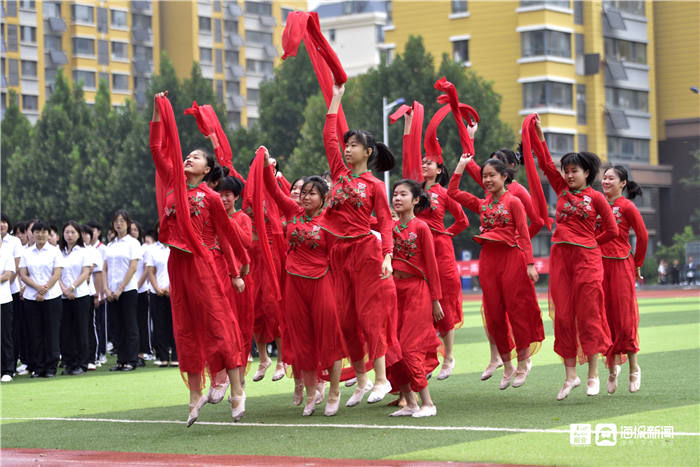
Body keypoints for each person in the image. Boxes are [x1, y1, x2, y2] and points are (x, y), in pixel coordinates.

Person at [151, 91, 248, 425]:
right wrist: (159, 111)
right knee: (186, 329)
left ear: (208, 169)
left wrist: (235, 272)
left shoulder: (210, 198)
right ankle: (195, 395)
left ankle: (236, 388)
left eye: (195, 157)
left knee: (219, 325)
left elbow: (227, 236)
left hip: (204, 264)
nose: (188, 159)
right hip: (177, 264)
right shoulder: (173, 185)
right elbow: (156, 149)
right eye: (187, 155)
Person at [528, 115, 618, 400]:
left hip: (588, 261)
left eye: (574, 171)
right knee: (564, 316)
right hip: (561, 259)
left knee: (589, 316)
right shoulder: (561, 190)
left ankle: (593, 375)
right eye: (566, 170)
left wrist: (591, 243)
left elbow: (613, 230)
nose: (568, 175)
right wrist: (540, 134)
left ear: (586, 173)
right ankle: (570, 377)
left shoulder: (598, 198)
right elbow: (544, 164)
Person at [323, 83, 396, 406]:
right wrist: (335, 98)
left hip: (366, 252)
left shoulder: (376, 186)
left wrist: (388, 255)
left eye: (354, 145)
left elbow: (384, 222)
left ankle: (381, 379)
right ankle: (362, 380)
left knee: (369, 317)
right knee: (345, 320)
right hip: (339, 253)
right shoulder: (338, 175)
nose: (347, 149)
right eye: (347, 144)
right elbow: (328, 136)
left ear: (368, 153)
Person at [449, 155, 544, 390]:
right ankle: (507, 364)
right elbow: (453, 192)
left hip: (512, 258)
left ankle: (522, 363)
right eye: (484, 176)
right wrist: (461, 166)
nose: (488, 180)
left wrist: (530, 263)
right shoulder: (483, 204)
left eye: (492, 175)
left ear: (504, 177)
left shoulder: (514, 202)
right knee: (493, 315)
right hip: (489, 260)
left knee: (517, 311)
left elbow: (523, 233)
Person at [263, 150, 346, 416]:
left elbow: (340, 255)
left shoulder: (332, 220)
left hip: (322, 282)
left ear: (324, 198)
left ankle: (334, 391)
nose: (306, 196)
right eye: (304, 192)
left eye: (312, 193)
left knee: (329, 338)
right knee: (303, 340)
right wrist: (266, 166)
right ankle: (311, 393)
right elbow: (273, 192)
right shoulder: (293, 211)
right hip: (294, 285)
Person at [401, 111, 469, 381]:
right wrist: (408, 126)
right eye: (423, 162)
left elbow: (463, 220)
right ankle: (426, 357)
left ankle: (449, 355)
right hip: (416, 251)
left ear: (440, 170)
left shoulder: (444, 193)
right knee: (421, 306)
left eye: (430, 163)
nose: (425, 166)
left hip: (440, 251)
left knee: (445, 305)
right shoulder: (414, 192)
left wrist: (445, 233)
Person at [386, 179, 442, 417]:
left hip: (417, 292)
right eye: (395, 194)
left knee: (410, 349)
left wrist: (436, 300)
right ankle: (410, 403)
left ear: (416, 200)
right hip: (393, 292)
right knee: (393, 349)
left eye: (403, 195)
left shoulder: (421, 228)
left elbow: (432, 266)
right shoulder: (389, 228)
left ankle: (428, 403)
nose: (397, 198)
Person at [599, 165, 648, 394]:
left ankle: (634, 368)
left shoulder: (627, 206)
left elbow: (643, 235)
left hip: (621, 264)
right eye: (604, 177)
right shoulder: (597, 204)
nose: (606, 181)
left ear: (623, 183)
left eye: (611, 178)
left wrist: (637, 263)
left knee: (624, 317)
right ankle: (611, 368)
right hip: (598, 264)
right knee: (604, 317)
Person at [18, 221, 65, 378]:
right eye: (37, 231)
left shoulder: (55, 251)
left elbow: (57, 273)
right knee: (35, 333)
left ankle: (51, 367)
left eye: (44, 232)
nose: (40, 234)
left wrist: (44, 289)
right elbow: (23, 274)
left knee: (51, 333)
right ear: (32, 233)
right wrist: (37, 288)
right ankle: (38, 367)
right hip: (32, 297)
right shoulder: (27, 252)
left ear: (48, 234)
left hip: (52, 297)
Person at [104, 210, 141, 372]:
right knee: (116, 326)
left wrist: (120, 288)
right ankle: (121, 359)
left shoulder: (133, 243)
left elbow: (133, 267)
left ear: (128, 223)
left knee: (129, 325)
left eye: (122, 221)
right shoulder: (110, 245)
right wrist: (106, 289)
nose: (119, 224)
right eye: (116, 221)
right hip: (111, 292)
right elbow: (104, 268)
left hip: (127, 290)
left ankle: (131, 360)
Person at [58, 221, 93, 376]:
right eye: (66, 232)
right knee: (66, 331)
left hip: (80, 295)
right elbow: (56, 273)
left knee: (81, 330)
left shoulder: (84, 252)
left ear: (78, 234)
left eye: (73, 232)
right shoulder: (59, 252)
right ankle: (70, 363)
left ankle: (82, 363)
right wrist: (64, 290)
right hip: (63, 296)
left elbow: (85, 273)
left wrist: (71, 288)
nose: (69, 235)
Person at [145, 223, 177, 367]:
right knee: (159, 325)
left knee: (175, 325)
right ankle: (163, 356)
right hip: (156, 291)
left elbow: (179, 271)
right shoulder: (152, 249)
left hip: (174, 292)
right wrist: (157, 287)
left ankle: (176, 356)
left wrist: (171, 287)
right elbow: (150, 271)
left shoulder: (177, 246)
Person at [130, 220, 153, 365]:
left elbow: (146, 269)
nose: (132, 232)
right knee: (131, 323)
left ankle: (144, 352)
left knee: (142, 322)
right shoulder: (126, 246)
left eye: (135, 230)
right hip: (128, 289)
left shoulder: (144, 248)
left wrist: (137, 285)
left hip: (141, 288)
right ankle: (133, 352)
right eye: (130, 229)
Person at [1, 234, 17, 382]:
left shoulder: (6, 253)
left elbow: (7, 275)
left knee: (5, 336)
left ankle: (7, 369)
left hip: (3, 300)